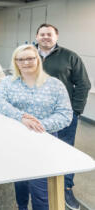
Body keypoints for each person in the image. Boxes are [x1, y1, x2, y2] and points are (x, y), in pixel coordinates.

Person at [0, 44, 72, 210]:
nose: (25, 62)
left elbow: (65, 114)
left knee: (40, 190)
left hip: (44, 141)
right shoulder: (8, 82)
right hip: (17, 141)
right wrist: (21, 117)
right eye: (20, 59)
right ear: (15, 62)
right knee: (20, 182)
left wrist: (40, 125)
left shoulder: (55, 85)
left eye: (30, 58)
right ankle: (21, 207)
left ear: (38, 59)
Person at [35, 23, 91, 210]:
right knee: (35, 150)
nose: (45, 37)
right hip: (33, 115)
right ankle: (37, 184)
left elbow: (83, 84)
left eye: (49, 34)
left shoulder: (70, 57)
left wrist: (75, 111)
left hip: (63, 115)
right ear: (36, 37)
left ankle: (66, 187)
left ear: (56, 37)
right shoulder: (27, 55)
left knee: (65, 150)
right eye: (42, 34)